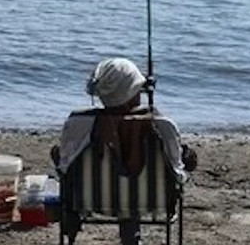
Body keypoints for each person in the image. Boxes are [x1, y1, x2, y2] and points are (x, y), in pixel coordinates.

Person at [53, 57, 197, 245]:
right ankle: (131, 237)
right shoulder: (162, 126)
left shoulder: (78, 124)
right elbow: (177, 173)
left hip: (91, 200)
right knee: (136, 185)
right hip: (152, 200)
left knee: (71, 161)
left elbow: (65, 165)